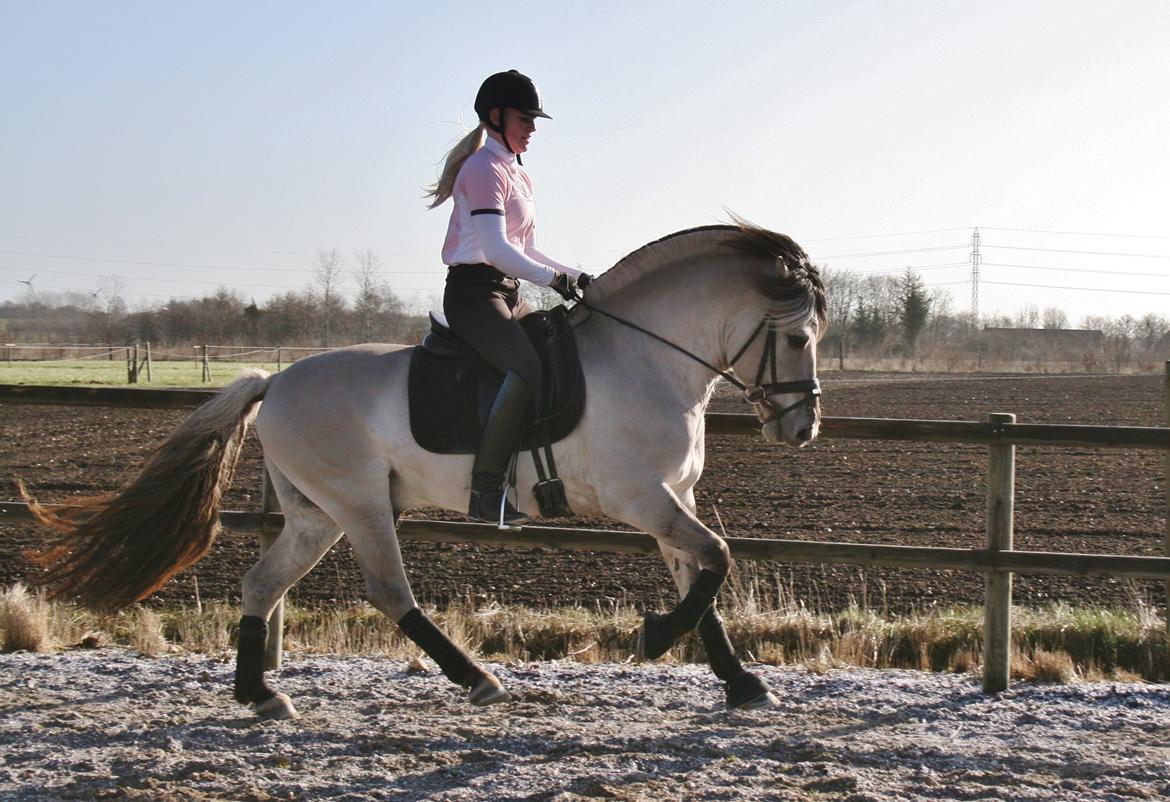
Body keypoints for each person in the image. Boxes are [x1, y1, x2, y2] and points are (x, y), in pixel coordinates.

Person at [426, 70, 592, 526]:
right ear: (496, 117)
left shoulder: (518, 174)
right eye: (525, 118)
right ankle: (484, 492)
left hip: (507, 290)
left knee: (558, 348)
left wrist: (579, 277)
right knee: (524, 368)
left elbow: (528, 251)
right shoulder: (482, 169)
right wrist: (553, 283)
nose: (533, 128)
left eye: (535, 120)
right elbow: (498, 251)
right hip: (474, 295)